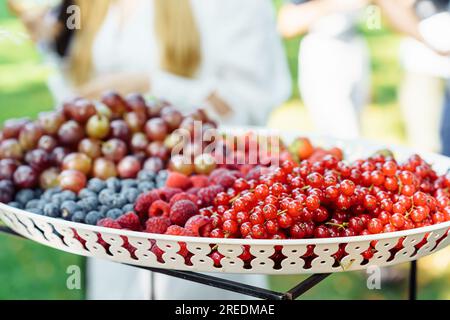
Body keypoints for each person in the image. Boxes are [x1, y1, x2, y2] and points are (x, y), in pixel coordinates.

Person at [8, 0, 291, 299]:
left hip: (202, 236)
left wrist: (152, 84)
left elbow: (250, 105)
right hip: (113, 216)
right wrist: (50, 42)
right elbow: (75, 93)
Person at [278, 0, 371, 139]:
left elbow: (375, 18)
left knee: (355, 127)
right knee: (340, 132)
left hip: (354, 45)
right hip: (324, 50)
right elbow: (287, 23)